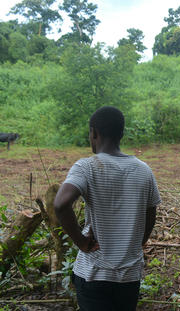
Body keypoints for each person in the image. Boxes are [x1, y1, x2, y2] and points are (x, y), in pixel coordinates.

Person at [54, 106, 161, 311]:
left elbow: (60, 204)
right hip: (129, 277)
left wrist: (82, 242)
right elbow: (150, 215)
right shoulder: (144, 171)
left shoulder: (87, 167)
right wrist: (137, 244)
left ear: (94, 133)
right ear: (121, 134)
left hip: (94, 274)